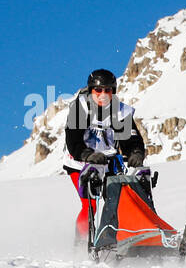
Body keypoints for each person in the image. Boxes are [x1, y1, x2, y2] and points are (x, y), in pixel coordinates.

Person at [64, 69, 150, 238]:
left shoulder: (119, 111)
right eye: (98, 90)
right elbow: (73, 140)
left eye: (107, 90)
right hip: (81, 162)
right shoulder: (80, 108)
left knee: (118, 201)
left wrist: (136, 152)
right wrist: (86, 154)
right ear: (91, 91)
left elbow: (131, 139)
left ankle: (115, 239)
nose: (102, 94)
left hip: (109, 161)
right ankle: (81, 242)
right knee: (90, 203)